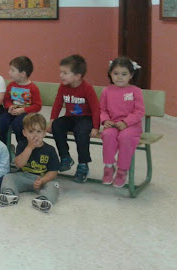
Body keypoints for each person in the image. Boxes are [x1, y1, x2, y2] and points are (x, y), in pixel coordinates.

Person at [49, 54, 100, 183]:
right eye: (61, 72)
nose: (61, 75)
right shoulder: (63, 87)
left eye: (65, 73)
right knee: (57, 125)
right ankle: (65, 157)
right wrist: (52, 120)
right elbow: (58, 103)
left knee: (81, 131)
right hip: (70, 117)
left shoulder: (87, 89)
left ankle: (83, 164)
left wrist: (95, 126)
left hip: (86, 118)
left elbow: (95, 108)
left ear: (77, 76)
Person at [0, 113, 60, 213]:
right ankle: (9, 194)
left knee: (54, 185)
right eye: (31, 131)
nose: (35, 135)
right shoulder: (22, 145)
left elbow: (53, 171)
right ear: (24, 133)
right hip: (23, 176)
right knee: (8, 177)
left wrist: (43, 180)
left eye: (39, 131)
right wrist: (30, 147)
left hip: (42, 178)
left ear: (44, 133)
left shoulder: (50, 150)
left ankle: (44, 199)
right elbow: (19, 164)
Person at [100, 57, 145, 188]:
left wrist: (126, 122)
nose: (119, 77)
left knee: (125, 137)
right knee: (108, 135)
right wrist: (105, 120)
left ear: (131, 75)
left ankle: (122, 170)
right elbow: (102, 109)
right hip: (113, 124)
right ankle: (109, 166)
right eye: (116, 73)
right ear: (110, 74)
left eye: (124, 74)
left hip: (132, 126)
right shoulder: (107, 91)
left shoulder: (136, 91)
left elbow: (139, 111)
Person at [0, 56, 42, 145]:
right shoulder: (11, 85)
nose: (9, 72)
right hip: (13, 111)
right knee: (1, 122)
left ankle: (22, 146)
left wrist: (23, 110)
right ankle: (3, 145)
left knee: (18, 124)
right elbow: (6, 100)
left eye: (12, 70)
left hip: (26, 113)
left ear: (22, 74)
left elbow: (37, 106)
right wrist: (9, 106)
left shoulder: (33, 88)